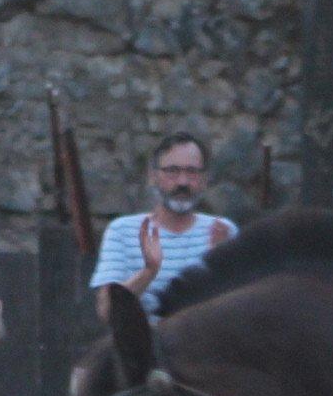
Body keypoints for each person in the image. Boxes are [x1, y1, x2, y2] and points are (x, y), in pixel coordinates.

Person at [89, 131, 237, 322]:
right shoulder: (122, 231)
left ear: (204, 180)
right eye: (172, 171)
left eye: (192, 172)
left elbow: (238, 314)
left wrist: (219, 265)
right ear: (153, 176)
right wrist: (149, 272)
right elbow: (106, 312)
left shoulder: (222, 231)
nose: (183, 182)